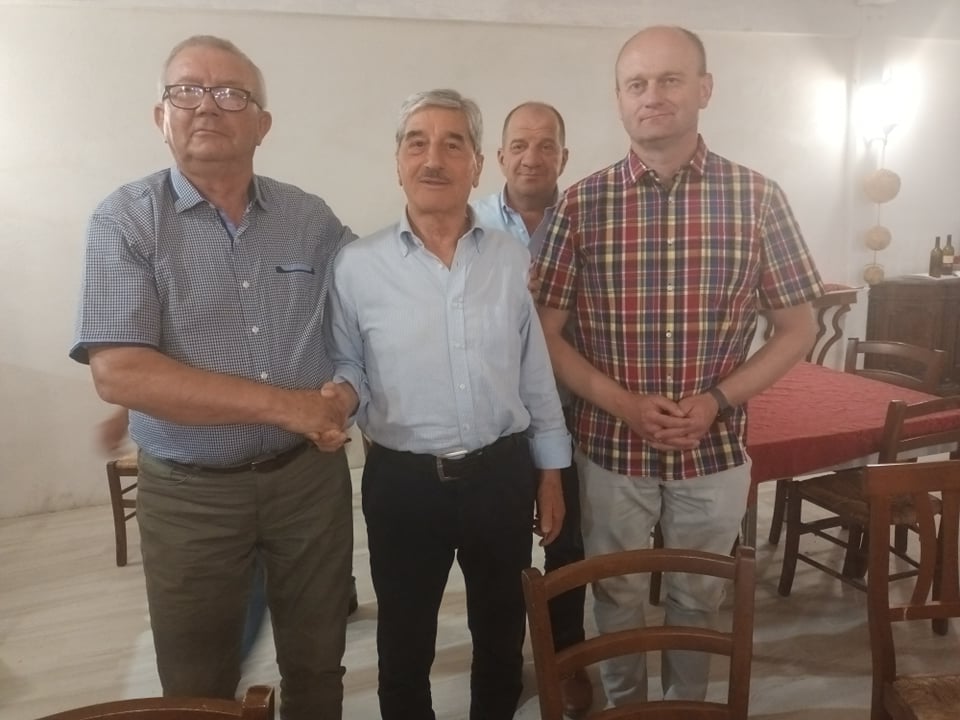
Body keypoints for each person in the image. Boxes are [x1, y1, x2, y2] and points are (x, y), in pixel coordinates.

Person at [534, 26, 824, 706]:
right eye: (636, 84)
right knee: (616, 593)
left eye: (669, 80)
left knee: (700, 596)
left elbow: (799, 328)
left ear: (704, 89)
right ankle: (626, 709)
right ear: (619, 99)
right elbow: (544, 335)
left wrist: (718, 400)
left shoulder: (758, 199)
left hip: (714, 447)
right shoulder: (580, 205)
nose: (652, 96)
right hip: (611, 448)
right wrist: (624, 404)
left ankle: (686, 709)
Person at [70, 35, 356, 720]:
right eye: (186, 91)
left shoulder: (309, 219)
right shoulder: (126, 220)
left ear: (262, 124)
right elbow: (120, 373)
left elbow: (370, 303)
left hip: (307, 482)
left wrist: (346, 390)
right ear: (161, 116)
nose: (206, 106)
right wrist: (288, 407)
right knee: (197, 684)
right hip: (190, 494)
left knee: (319, 661)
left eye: (231, 93)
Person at [325, 88, 571, 720]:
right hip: (403, 484)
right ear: (398, 161)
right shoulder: (356, 266)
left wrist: (550, 471)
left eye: (452, 144)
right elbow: (349, 366)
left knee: (501, 631)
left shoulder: (510, 259)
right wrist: (338, 400)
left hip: (500, 476)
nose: (433, 159)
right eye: (417, 143)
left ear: (476, 165)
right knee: (404, 641)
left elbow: (533, 373)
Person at [471, 102, 593, 715]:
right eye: (519, 145)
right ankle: (502, 664)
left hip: (570, 411)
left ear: (563, 158)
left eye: (546, 146)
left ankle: (566, 657)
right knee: (500, 553)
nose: (531, 157)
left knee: (567, 543)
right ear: (499, 156)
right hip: (495, 419)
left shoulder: (586, 222)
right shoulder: (468, 222)